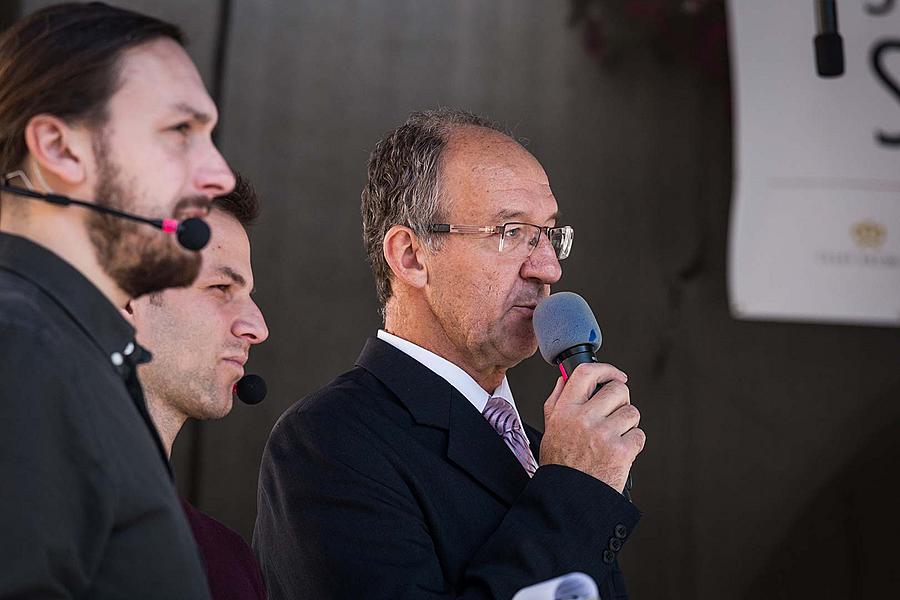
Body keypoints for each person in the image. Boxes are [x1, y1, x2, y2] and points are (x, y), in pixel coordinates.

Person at [254, 108, 645, 599]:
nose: (548, 268)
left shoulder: (545, 445)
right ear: (411, 256)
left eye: (549, 234)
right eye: (510, 232)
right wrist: (573, 491)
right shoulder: (329, 442)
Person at [0, 3, 234, 597]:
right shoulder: (22, 347)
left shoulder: (72, 349)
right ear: (59, 148)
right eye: (180, 131)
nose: (219, 174)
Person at [126, 174, 269, 600]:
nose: (256, 327)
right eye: (221, 287)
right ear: (122, 296)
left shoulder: (228, 563)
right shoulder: (29, 519)